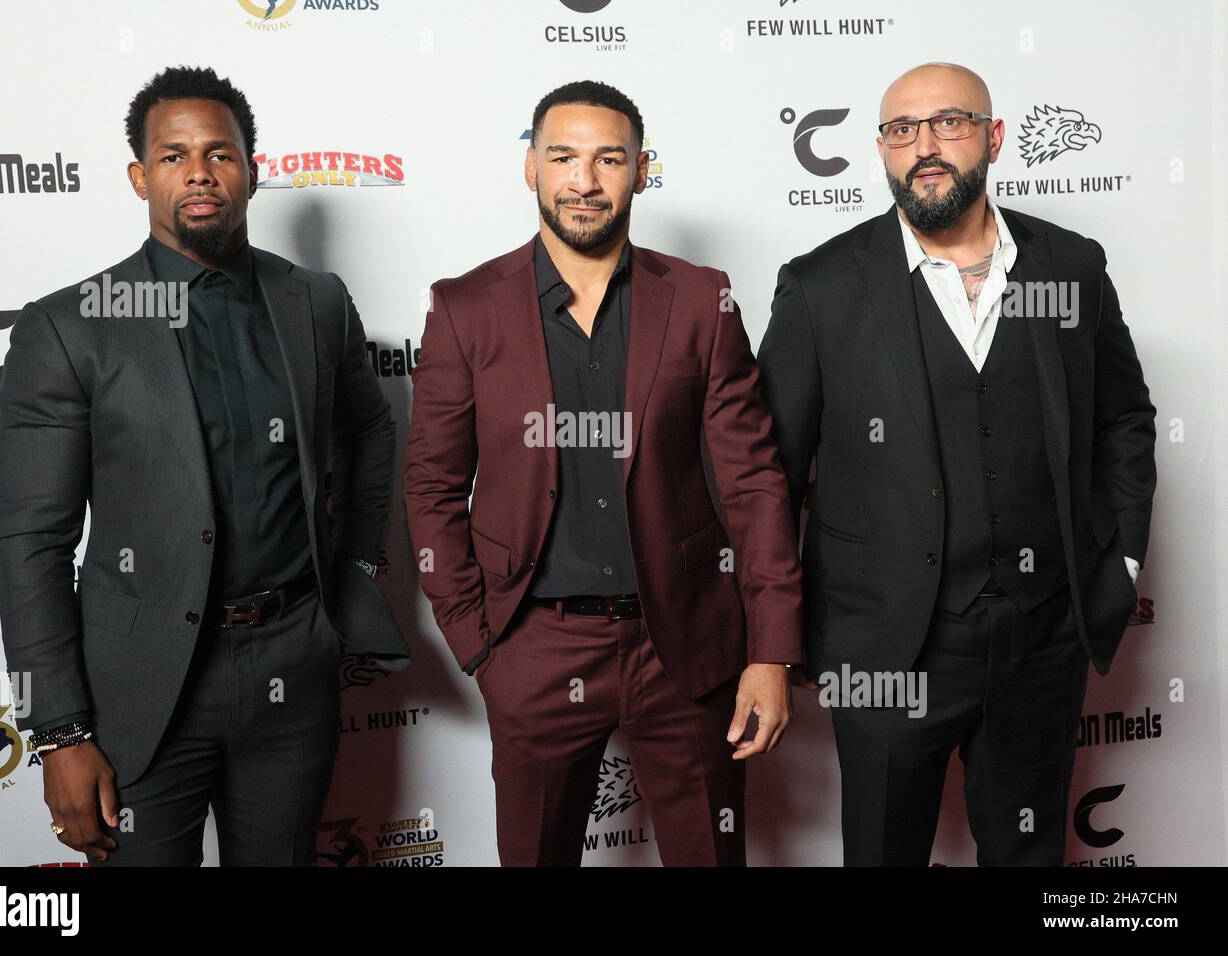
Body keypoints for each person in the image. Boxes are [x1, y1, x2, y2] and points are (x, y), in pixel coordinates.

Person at [0, 65, 409, 866]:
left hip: (294, 664)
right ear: (139, 176)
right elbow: (31, 545)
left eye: (219, 153)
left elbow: (371, 434)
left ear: (252, 168)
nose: (199, 172)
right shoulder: (69, 326)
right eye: (174, 155)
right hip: (141, 686)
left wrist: (352, 566)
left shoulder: (316, 301)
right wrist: (60, 733)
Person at [757, 62, 1157, 866]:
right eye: (902, 130)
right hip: (885, 650)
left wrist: (1118, 559)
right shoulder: (824, 286)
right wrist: (776, 639)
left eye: (949, 122)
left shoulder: (1068, 269)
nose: (925, 146)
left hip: (1043, 640)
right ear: (881, 150)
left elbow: (1124, 419)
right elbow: (767, 473)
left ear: (995, 136)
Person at [404, 80, 803, 866]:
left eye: (608, 159)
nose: (584, 181)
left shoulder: (699, 298)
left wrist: (770, 652)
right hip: (533, 647)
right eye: (563, 157)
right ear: (531, 168)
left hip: (684, 644)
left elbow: (754, 482)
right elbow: (433, 485)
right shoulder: (465, 307)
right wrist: (478, 642)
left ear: (641, 171)